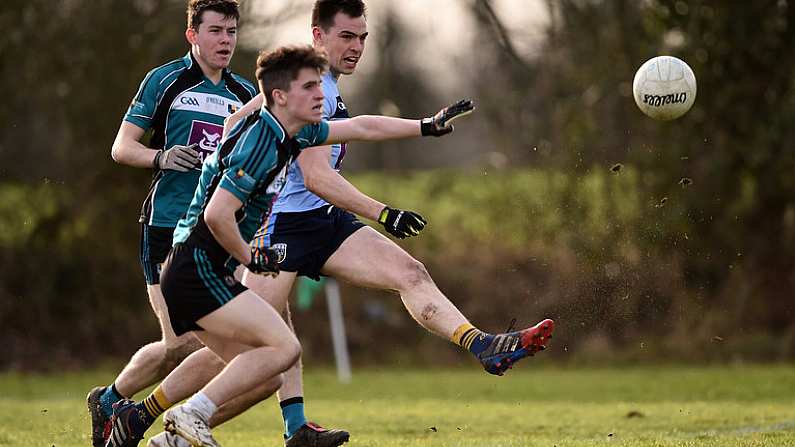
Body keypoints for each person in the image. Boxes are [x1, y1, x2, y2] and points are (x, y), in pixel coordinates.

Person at [143, 1, 554, 446]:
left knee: (407, 274)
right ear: (317, 36)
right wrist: (382, 212)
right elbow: (316, 176)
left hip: (319, 223)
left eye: (363, 38)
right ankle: (148, 415)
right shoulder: (301, 89)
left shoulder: (301, 86)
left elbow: (359, 127)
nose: (357, 47)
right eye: (347, 37)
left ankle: (480, 344)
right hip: (274, 232)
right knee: (254, 356)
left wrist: (424, 126)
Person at [103, 44, 473, 447]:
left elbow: (363, 127)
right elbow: (216, 216)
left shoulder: (294, 132)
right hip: (197, 269)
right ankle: (189, 413)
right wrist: (250, 257)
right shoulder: (260, 141)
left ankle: (164, 439)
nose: (321, 95)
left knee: (268, 375)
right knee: (284, 346)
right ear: (279, 96)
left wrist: (425, 125)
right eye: (310, 86)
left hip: (198, 270)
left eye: (320, 85)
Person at [87, 1, 256, 446]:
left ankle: (132, 411)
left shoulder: (242, 94)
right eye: (216, 30)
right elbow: (121, 148)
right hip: (165, 227)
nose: (225, 40)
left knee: (207, 345)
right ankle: (122, 406)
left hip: (214, 233)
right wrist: (159, 157)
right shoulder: (165, 81)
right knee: (182, 343)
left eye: (232, 31)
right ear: (192, 35)